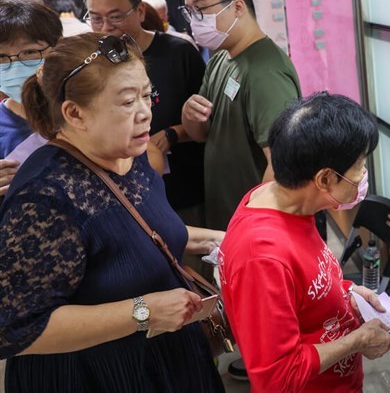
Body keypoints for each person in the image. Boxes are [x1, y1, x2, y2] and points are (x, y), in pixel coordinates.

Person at [0, 32, 225, 391]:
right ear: (75, 113)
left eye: (146, 95)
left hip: (167, 359)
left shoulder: (130, 156)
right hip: (97, 376)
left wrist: (221, 239)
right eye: (125, 102)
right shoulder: (45, 197)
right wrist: (143, 312)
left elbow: (134, 232)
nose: (144, 113)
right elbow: (16, 329)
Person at [218, 92, 390, 392]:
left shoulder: (288, 201)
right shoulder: (262, 257)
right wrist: (358, 340)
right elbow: (277, 377)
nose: (363, 175)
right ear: (324, 179)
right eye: (359, 166)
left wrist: (346, 292)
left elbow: (304, 287)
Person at [180, 0, 302, 231]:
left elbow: (282, 166)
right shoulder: (221, 57)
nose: (194, 21)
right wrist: (189, 114)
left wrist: (254, 226)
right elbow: (201, 133)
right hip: (226, 215)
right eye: (189, 12)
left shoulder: (266, 72)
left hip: (252, 227)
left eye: (200, 9)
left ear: (237, 7)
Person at [82, 0, 206, 222]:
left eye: (115, 17)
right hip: (122, 199)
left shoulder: (178, 52)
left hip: (183, 189)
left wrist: (174, 133)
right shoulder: (91, 62)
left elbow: (209, 118)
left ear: (139, 11)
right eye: (95, 18)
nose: (106, 28)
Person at [0, 0, 60, 195]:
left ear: (57, 48)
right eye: (1, 57)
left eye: (29, 52)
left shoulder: (83, 108)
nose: (14, 65)